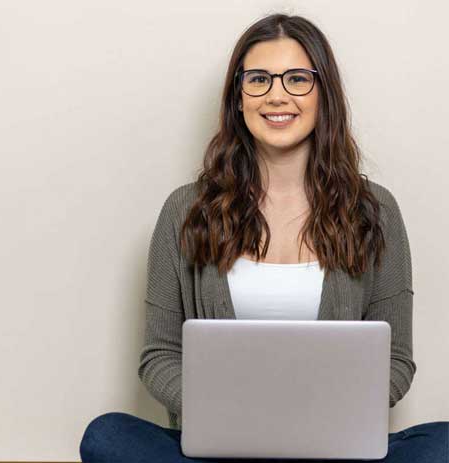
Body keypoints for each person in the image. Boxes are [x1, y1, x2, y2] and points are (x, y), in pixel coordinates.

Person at [79, 12, 448, 463]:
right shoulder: (185, 210)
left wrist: (311, 417)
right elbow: (159, 355)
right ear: (238, 96)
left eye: (297, 78)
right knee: (107, 436)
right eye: (258, 79)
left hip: (332, 449)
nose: (276, 95)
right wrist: (231, 415)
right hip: (219, 450)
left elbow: (396, 362)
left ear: (323, 94)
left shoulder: (376, 211)